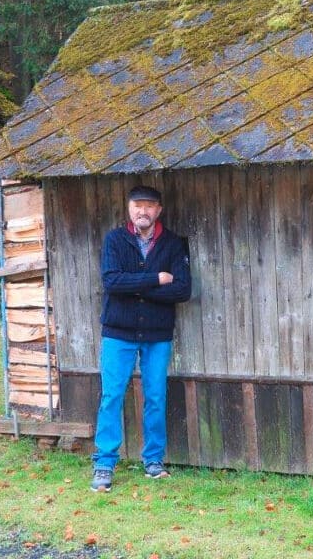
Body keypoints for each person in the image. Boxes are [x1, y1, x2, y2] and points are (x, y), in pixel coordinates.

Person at [90, 185, 191, 491]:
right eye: (137, 206)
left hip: (157, 334)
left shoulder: (172, 244)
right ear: (129, 208)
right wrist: (155, 279)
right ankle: (104, 464)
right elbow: (111, 281)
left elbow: (183, 290)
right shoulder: (115, 240)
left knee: (156, 396)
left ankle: (154, 460)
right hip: (118, 333)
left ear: (158, 210)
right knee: (112, 396)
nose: (143, 211)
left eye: (149, 206)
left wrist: (133, 285)